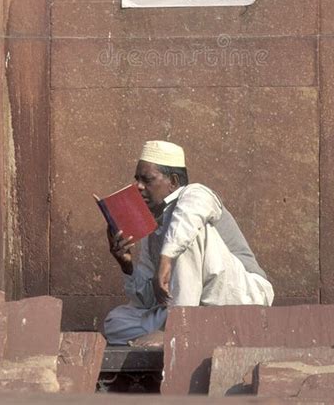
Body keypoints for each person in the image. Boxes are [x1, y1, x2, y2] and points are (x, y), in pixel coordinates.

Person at [104, 140, 274, 345]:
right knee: (115, 323)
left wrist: (166, 258)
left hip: (242, 299)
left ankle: (178, 332)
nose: (138, 187)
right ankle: (191, 331)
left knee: (189, 233)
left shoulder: (196, 194)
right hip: (200, 312)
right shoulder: (154, 227)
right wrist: (127, 265)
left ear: (173, 181)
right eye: (137, 179)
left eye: (147, 180)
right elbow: (149, 300)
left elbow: (188, 217)